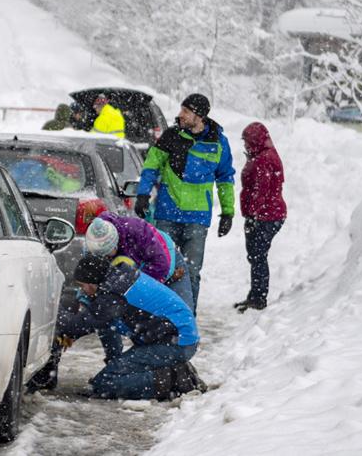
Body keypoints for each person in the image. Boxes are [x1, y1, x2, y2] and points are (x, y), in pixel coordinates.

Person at [29, 214, 192, 391]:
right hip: (130, 293)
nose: (106, 257)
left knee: (106, 380)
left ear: (116, 243)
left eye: (109, 253)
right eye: (102, 256)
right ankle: (121, 365)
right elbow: (93, 305)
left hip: (168, 266)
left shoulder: (137, 233)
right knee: (113, 317)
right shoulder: (95, 253)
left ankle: (172, 377)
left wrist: (132, 291)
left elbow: (160, 268)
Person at [134, 93, 235, 314]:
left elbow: (226, 177)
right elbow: (152, 165)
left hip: (197, 219)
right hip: (167, 214)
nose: (180, 115)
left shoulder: (218, 142)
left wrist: (228, 212)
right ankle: (157, 316)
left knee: (191, 272)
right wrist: (143, 194)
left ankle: (186, 318)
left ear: (198, 116)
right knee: (160, 267)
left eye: (186, 111)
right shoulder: (171, 136)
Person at [53, 255, 203, 400]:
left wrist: (53, 312)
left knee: (105, 383)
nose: (83, 290)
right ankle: (170, 372)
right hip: (173, 338)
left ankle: (173, 379)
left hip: (177, 342)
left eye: (82, 285)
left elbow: (82, 323)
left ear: (92, 282)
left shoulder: (114, 294)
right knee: (108, 378)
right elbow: (96, 322)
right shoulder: (118, 280)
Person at [235, 122, 286, 312]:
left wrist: (253, 216)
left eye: (248, 141)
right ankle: (256, 294)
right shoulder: (263, 155)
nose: (246, 145)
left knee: (258, 255)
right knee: (256, 255)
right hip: (267, 214)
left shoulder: (264, 159)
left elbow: (260, 190)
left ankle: (258, 297)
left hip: (266, 216)